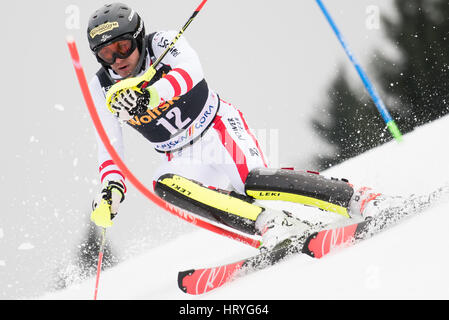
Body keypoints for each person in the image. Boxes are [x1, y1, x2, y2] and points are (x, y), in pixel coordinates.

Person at [87, 3, 390, 251]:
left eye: (123, 47)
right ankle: (270, 223)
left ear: (137, 37)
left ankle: (355, 197)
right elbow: (109, 144)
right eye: (106, 54)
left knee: (252, 182)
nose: (116, 60)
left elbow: (192, 72)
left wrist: (151, 94)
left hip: (217, 129)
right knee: (163, 183)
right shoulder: (102, 86)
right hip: (180, 155)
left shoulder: (162, 43)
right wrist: (112, 188)